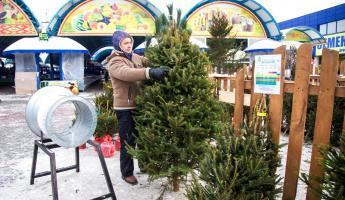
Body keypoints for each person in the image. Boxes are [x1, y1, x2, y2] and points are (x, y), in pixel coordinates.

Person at [106, 30, 168, 185]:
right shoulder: (114, 61)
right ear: (118, 44)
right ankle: (126, 173)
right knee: (128, 140)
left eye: (130, 42)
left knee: (143, 136)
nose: (129, 46)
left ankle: (145, 165)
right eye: (125, 43)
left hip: (140, 104)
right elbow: (127, 73)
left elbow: (150, 61)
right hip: (124, 108)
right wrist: (150, 72)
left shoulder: (136, 57)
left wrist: (166, 56)